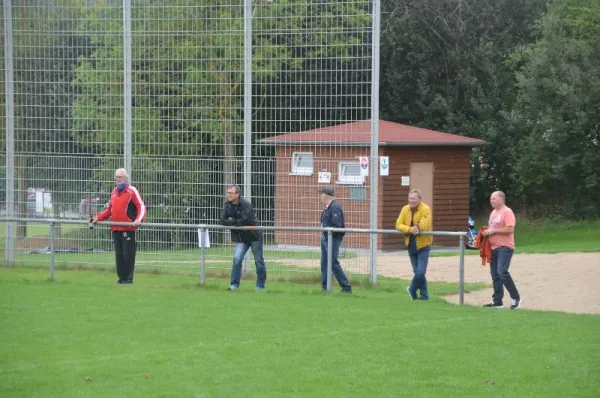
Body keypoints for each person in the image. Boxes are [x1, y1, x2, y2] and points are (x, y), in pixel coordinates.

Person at [90, 168, 146, 284]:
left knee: (128, 255)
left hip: (128, 228)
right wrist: (98, 218)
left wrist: (138, 220)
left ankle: (128, 279)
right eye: (116, 177)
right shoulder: (114, 191)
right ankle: (121, 278)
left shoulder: (132, 191)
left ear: (126, 178)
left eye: (120, 177)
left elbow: (141, 206)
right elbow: (109, 209)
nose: (118, 180)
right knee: (119, 256)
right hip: (116, 228)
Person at [220, 184, 267, 291]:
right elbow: (223, 220)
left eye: (231, 193)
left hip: (254, 236)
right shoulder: (227, 205)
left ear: (237, 194)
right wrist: (234, 222)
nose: (229, 195)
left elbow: (245, 220)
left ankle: (260, 285)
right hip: (241, 238)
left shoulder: (246, 204)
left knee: (258, 261)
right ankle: (234, 285)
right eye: (228, 193)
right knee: (237, 259)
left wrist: (232, 221)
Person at [482, 191, 522, 309]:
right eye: (491, 199)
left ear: (501, 200)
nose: (491, 200)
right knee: (495, 275)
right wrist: (486, 232)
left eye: (494, 198)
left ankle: (516, 298)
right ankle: (497, 300)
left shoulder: (507, 212)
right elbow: (492, 228)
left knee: (502, 272)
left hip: (505, 247)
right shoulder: (493, 212)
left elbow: (510, 229)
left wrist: (493, 231)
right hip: (493, 247)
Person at [395, 188, 432, 300]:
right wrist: (409, 229)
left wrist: (416, 228)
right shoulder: (405, 209)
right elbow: (398, 224)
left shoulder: (426, 209)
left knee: (420, 272)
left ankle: (411, 289)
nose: (411, 201)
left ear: (419, 199)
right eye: (410, 198)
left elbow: (424, 225)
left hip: (423, 245)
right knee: (417, 272)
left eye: (414, 198)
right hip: (410, 245)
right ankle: (424, 296)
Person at [318, 186, 352, 293]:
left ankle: (346, 287)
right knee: (324, 263)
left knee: (332, 263)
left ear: (326, 195)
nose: (320, 196)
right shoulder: (328, 207)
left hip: (332, 239)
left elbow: (337, 225)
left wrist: (328, 232)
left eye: (321, 194)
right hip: (326, 238)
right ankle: (325, 287)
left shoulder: (335, 207)